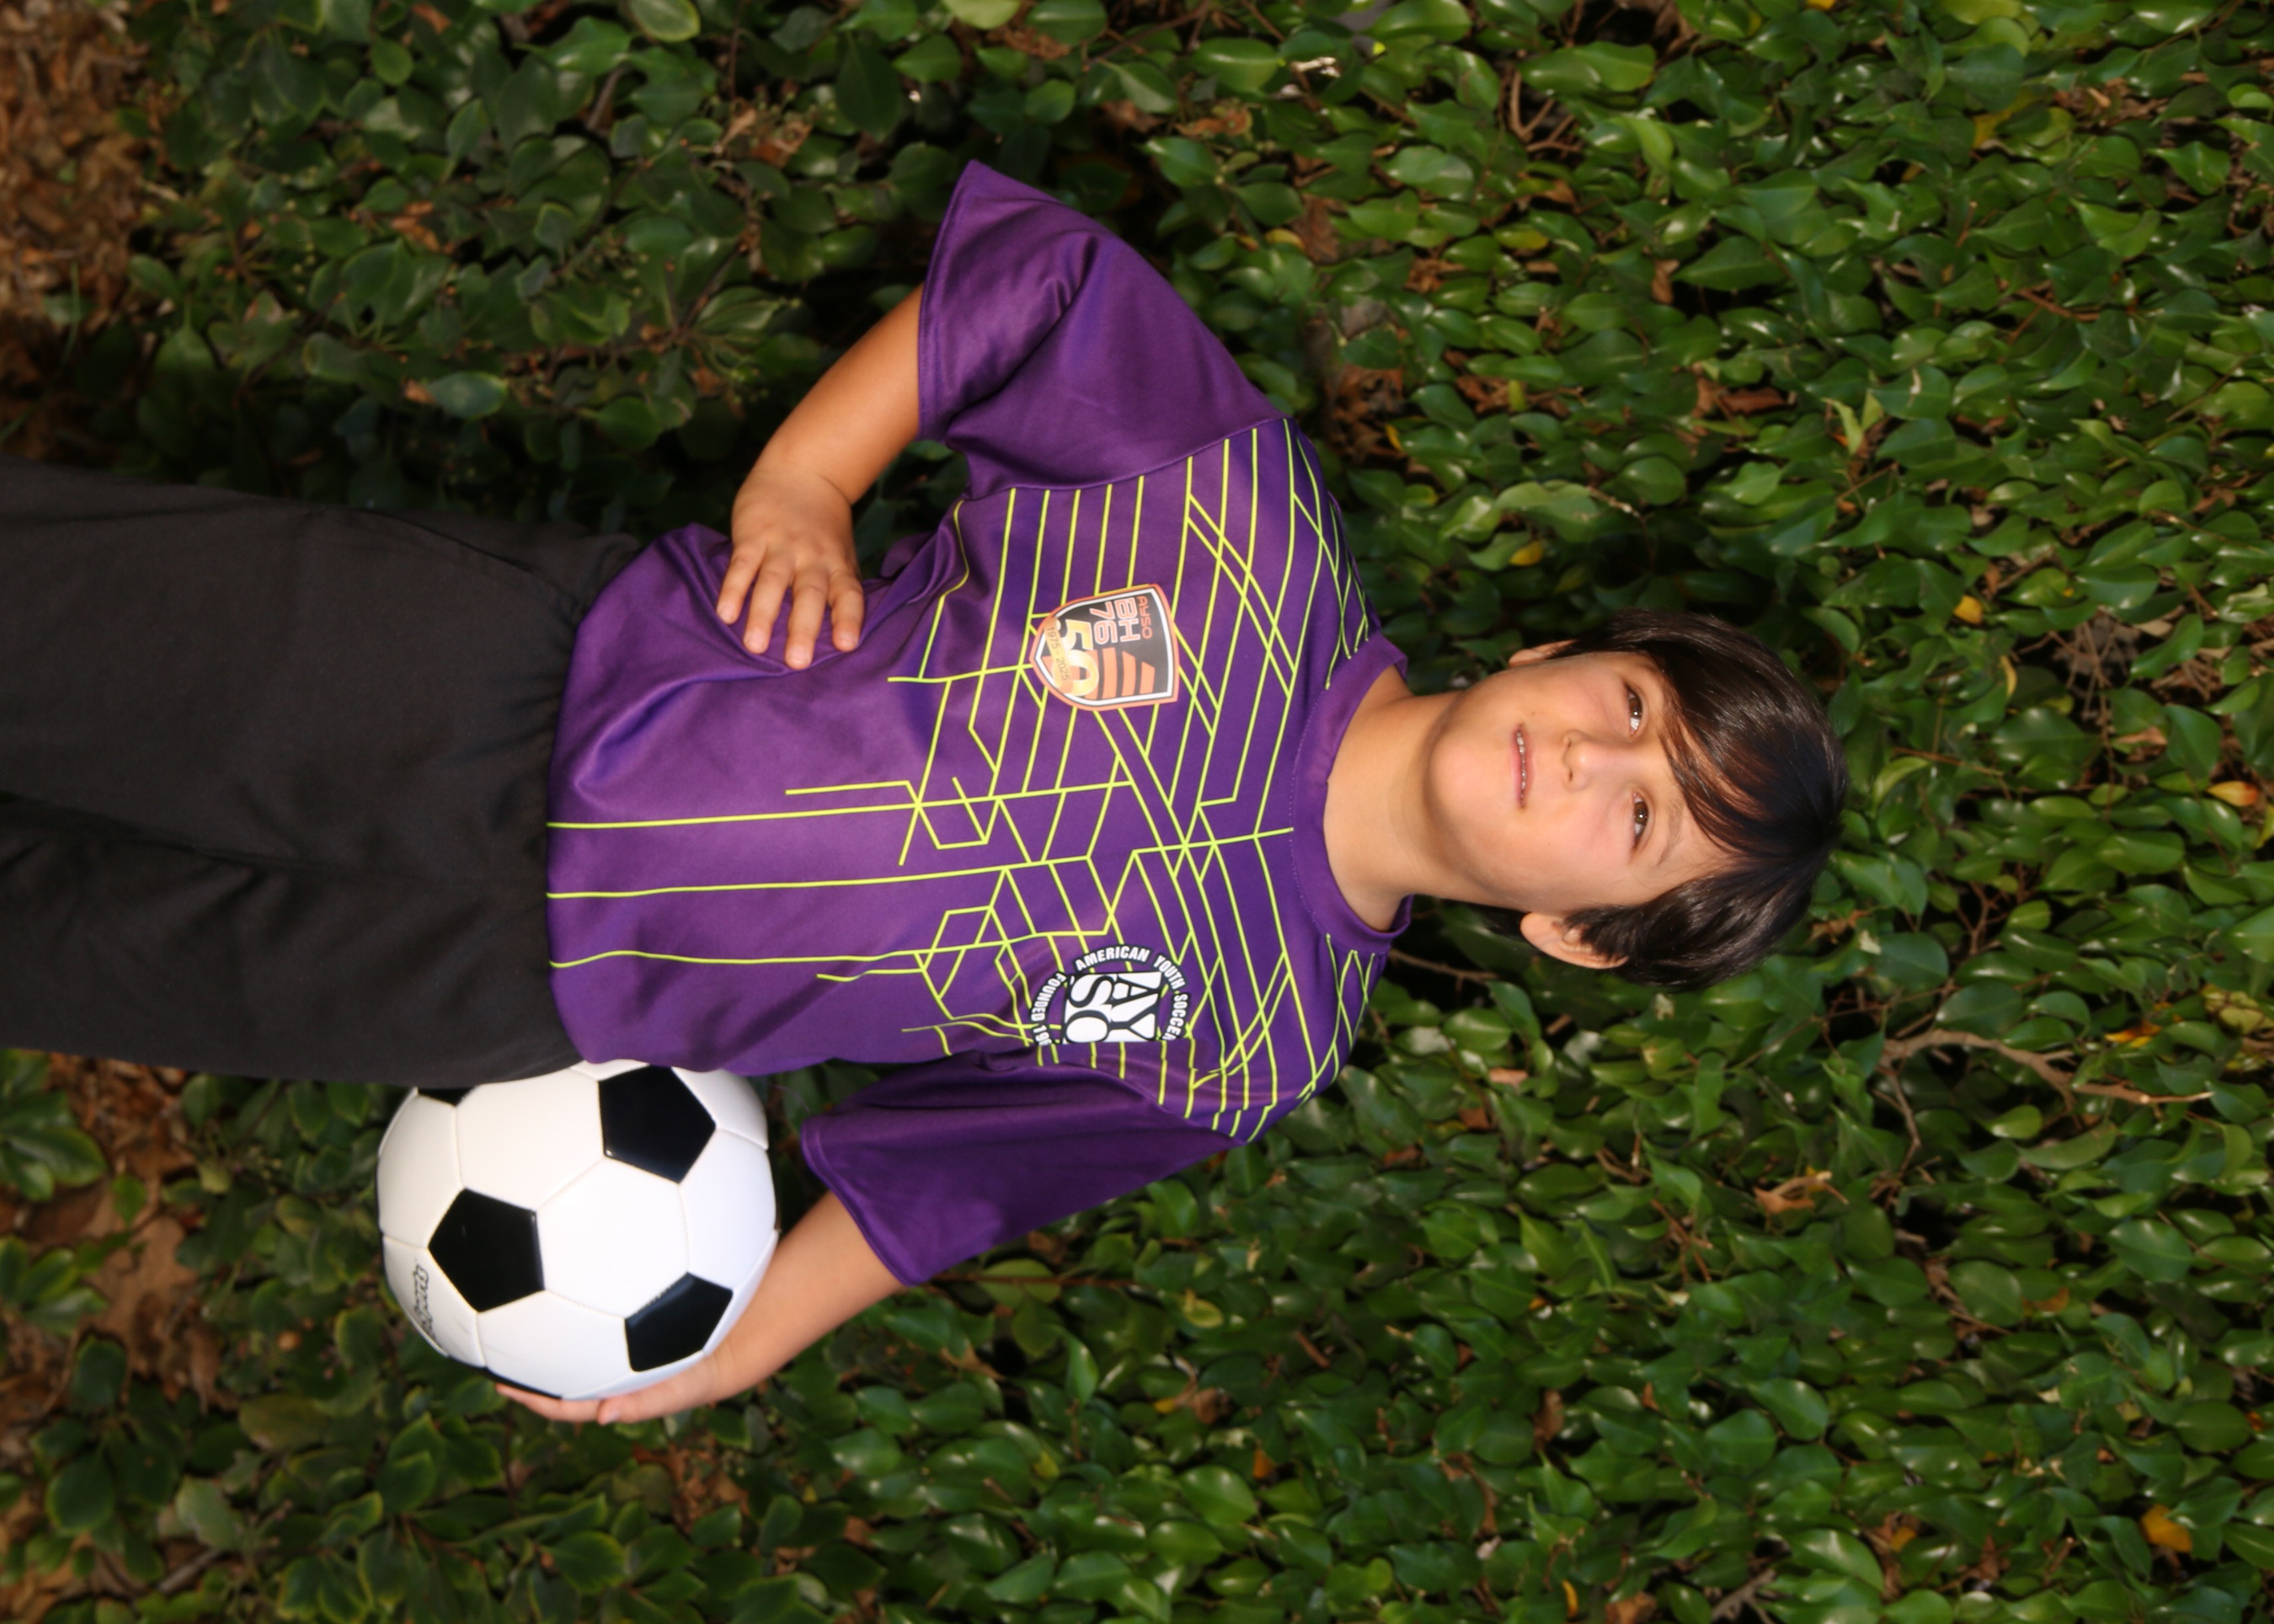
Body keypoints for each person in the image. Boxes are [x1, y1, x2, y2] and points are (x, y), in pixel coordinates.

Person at [0, 162, 1847, 1425]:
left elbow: (937, 1188)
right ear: (1566, 649)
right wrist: (807, 479)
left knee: (60, 948)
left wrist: (731, 1352)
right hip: (493, 675)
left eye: (1634, 820)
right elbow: (1032, 295)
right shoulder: (1244, 523)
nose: (1587, 756)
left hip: (512, 992)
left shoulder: (1250, 1044)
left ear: (1576, 937)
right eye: (1627, 706)